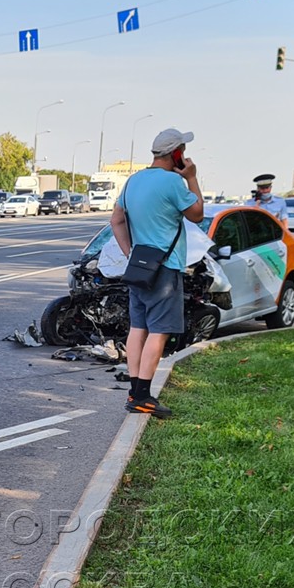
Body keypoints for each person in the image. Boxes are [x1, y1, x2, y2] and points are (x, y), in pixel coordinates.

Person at [110, 128, 205, 418]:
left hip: (139, 267)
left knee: (137, 328)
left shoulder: (133, 181)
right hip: (165, 268)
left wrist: (130, 253)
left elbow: (116, 220)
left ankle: (134, 393)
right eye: (183, 152)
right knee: (159, 331)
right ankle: (143, 396)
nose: (185, 156)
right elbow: (197, 214)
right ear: (175, 153)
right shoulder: (174, 182)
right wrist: (191, 178)